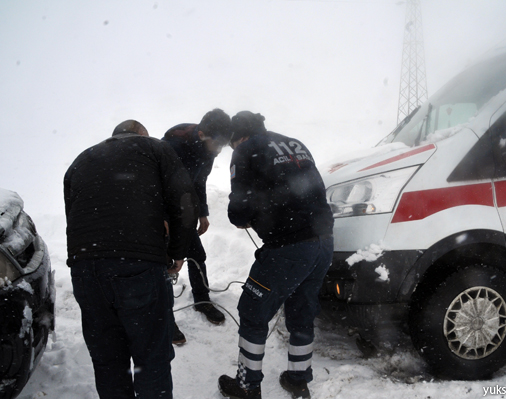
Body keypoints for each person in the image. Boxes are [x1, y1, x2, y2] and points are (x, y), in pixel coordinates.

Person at [64, 120, 198, 399]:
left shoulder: (80, 160)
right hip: (137, 266)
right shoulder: (155, 148)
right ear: (141, 135)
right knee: (152, 359)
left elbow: (73, 215)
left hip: (85, 270)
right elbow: (184, 202)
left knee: (108, 360)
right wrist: (177, 252)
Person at [218, 111, 334, 399]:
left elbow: (240, 208)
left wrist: (242, 215)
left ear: (238, 137)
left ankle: (246, 386)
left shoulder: (245, 149)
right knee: (302, 309)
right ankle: (298, 379)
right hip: (323, 242)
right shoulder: (295, 143)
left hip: (288, 247)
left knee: (252, 311)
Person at [161, 109, 232, 327]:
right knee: (164, 261)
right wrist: (164, 221)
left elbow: (198, 183)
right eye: (218, 144)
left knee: (197, 255)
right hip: (162, 211)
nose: (219, 151)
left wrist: (202, 213)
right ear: (201, 135)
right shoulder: (173, 146)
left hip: (185, 210)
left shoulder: (208, 152)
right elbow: (159, 186)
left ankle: (202, 300)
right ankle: (164, 317)